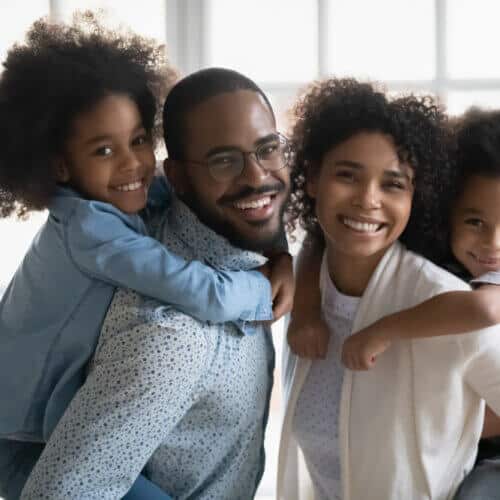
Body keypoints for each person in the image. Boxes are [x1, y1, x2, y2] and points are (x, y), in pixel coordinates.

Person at [0, 15, 292, 500]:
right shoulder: (99, 239)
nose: (133, 164)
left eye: (138, 141)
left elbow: (222, 191)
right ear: (59, 165)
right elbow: (198, 291)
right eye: (104, 150)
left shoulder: (131, 197)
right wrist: (264, 288)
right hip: (16, 436)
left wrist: (285, 257)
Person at [277, 78, 500, 500]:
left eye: (393, 184)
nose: (367, 199)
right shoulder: (303, 287)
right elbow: (313, 239)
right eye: (347, 175)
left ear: (417, 195)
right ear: (311, 178)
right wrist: (305, 310)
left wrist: (455, 425)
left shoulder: (445, 306)